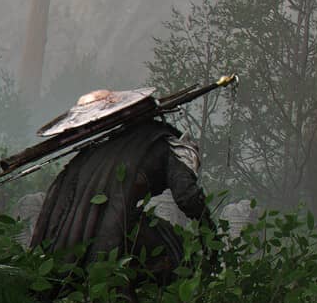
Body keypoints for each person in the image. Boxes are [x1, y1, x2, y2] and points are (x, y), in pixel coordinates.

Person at [29, 91, 216, 286]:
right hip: (113, 224)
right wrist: (208, 227)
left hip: (87, 227)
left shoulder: (108, 146)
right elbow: (187, 197)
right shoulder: (167, 145)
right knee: (171, 251)